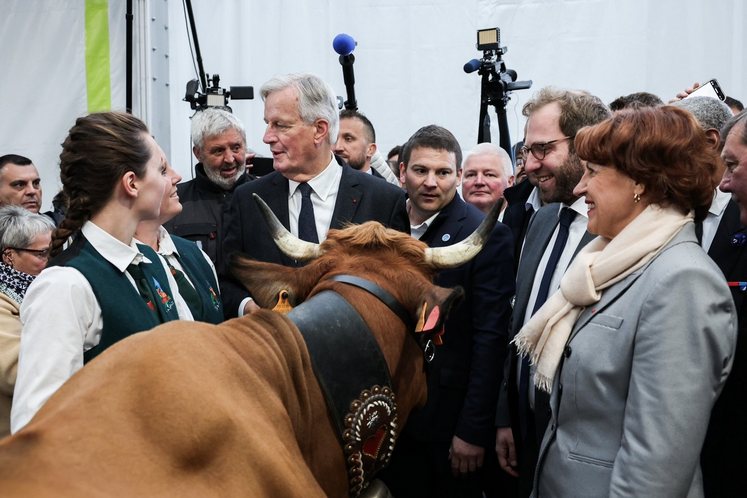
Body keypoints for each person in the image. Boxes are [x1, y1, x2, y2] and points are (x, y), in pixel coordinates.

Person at [519, 105, 736, 496]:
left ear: (642, 182)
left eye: (593, 172)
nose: (580, 188)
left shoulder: (683, 281)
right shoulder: (608, 262)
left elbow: (655, 471)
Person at [10, 111, 192, 433]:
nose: (170, 179)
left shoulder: (154, 263)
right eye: (161, 169)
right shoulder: (65, 285)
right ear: (132, 183)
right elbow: (37, 427)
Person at [379, 125, 515, 498]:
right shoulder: (381, 226)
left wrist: (472, 430)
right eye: (420, 170)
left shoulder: (485, 235)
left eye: (442, 173)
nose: (430, 182)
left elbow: (491, 340)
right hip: (388, 420)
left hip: (446, 425)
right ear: (402, 171)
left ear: (457, 176)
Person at [495, 87, 610, 497]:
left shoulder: (618, 231)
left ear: (586, 141)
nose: (529, 166)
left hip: (585, 448)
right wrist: (505, 415)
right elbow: (519, 323)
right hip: (526, 432)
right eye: (525, 152)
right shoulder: (541, 219)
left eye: (543, 149)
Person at [220, 72, 409, 318]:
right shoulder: (248, 199)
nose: (267, 137)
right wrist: (249, 307)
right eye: (267, 123)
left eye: (280, 125)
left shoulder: (384, 200)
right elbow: (226, 281)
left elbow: (401, 288)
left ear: (319, 130)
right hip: (274, 351)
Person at [163, 107, 255, 270]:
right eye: (218, 151)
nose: (229, 159)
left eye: (236, 148)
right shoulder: (174, 203)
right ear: (198, 154)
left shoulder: (266, 196)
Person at [134, 160, 223, 325]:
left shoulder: (194, 254)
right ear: (131, 185)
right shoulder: (116, 268)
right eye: (162, 170)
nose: (178, 177)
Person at [0, 206, 54, 437]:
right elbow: (14, 371)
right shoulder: (4, 301)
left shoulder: (46, 286)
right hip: (15, 440)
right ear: (9, 255)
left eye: (54, 250)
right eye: (42, 254)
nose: (51, 260)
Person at [461, 142, 515, 219]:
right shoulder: (448, 225)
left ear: (509, 182)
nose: (479, 182)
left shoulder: (524, 223)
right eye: (471, 175)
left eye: (489, 175)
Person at [333, 109, 381, 177]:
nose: (337, 147)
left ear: (370, 150)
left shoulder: (385, 187)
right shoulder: (318, 185)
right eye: (334, 139)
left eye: (348, 139)